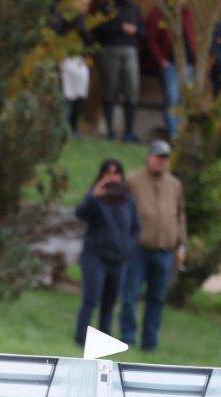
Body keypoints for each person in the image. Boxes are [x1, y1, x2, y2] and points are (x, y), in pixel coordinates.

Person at [122, 140, 186, 351]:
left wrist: (181, 245)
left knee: (157, 298)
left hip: (164, 250)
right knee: (130, 295)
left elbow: (180, 216)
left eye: (165, 158)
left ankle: (150, 342)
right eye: (158, 157)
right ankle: (128, 337)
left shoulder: (175, 185)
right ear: (149, 157)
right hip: (138, 248)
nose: (161, 162)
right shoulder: (132, 180)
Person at [74, 158, 139, 347]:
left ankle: (103, 339)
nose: (112, 178)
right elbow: (80, 214)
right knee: (91, 299)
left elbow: (135, 227)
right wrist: (93, 197)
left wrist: (128, 247)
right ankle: (81, 337)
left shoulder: (127, 199)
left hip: (119, 259)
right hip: (95, 257)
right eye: (108, 173)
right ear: (101, 175)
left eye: (116, 173)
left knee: (110, 302)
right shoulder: (95, 197)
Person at [92, 0, 144, 142]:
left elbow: (143, 31)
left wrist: (135, 30)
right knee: (110, 88)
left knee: (132, 88)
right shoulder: (106, 6)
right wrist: (119, 27)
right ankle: (109, 129)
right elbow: (96, 30)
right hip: (110, 49)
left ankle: (129, 131)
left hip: (130, 50)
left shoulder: (133, 8)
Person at [144, 0, 196, 140]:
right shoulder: (159, 13)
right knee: (172, 99)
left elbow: (191, 37)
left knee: (185, 101)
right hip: (170, 64)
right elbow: (151, 39)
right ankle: (174, 135)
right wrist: (161, 60)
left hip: (188, 64)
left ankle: (182, 134)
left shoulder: (187, 14)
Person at [50, 1, 93, 136]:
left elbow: (89, 40)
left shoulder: (83, 21)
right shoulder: (61, 18)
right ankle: (62, 126)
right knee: (66, 96)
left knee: (79, 96)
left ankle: (73, 127)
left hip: (79, 60)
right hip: (65, 59)